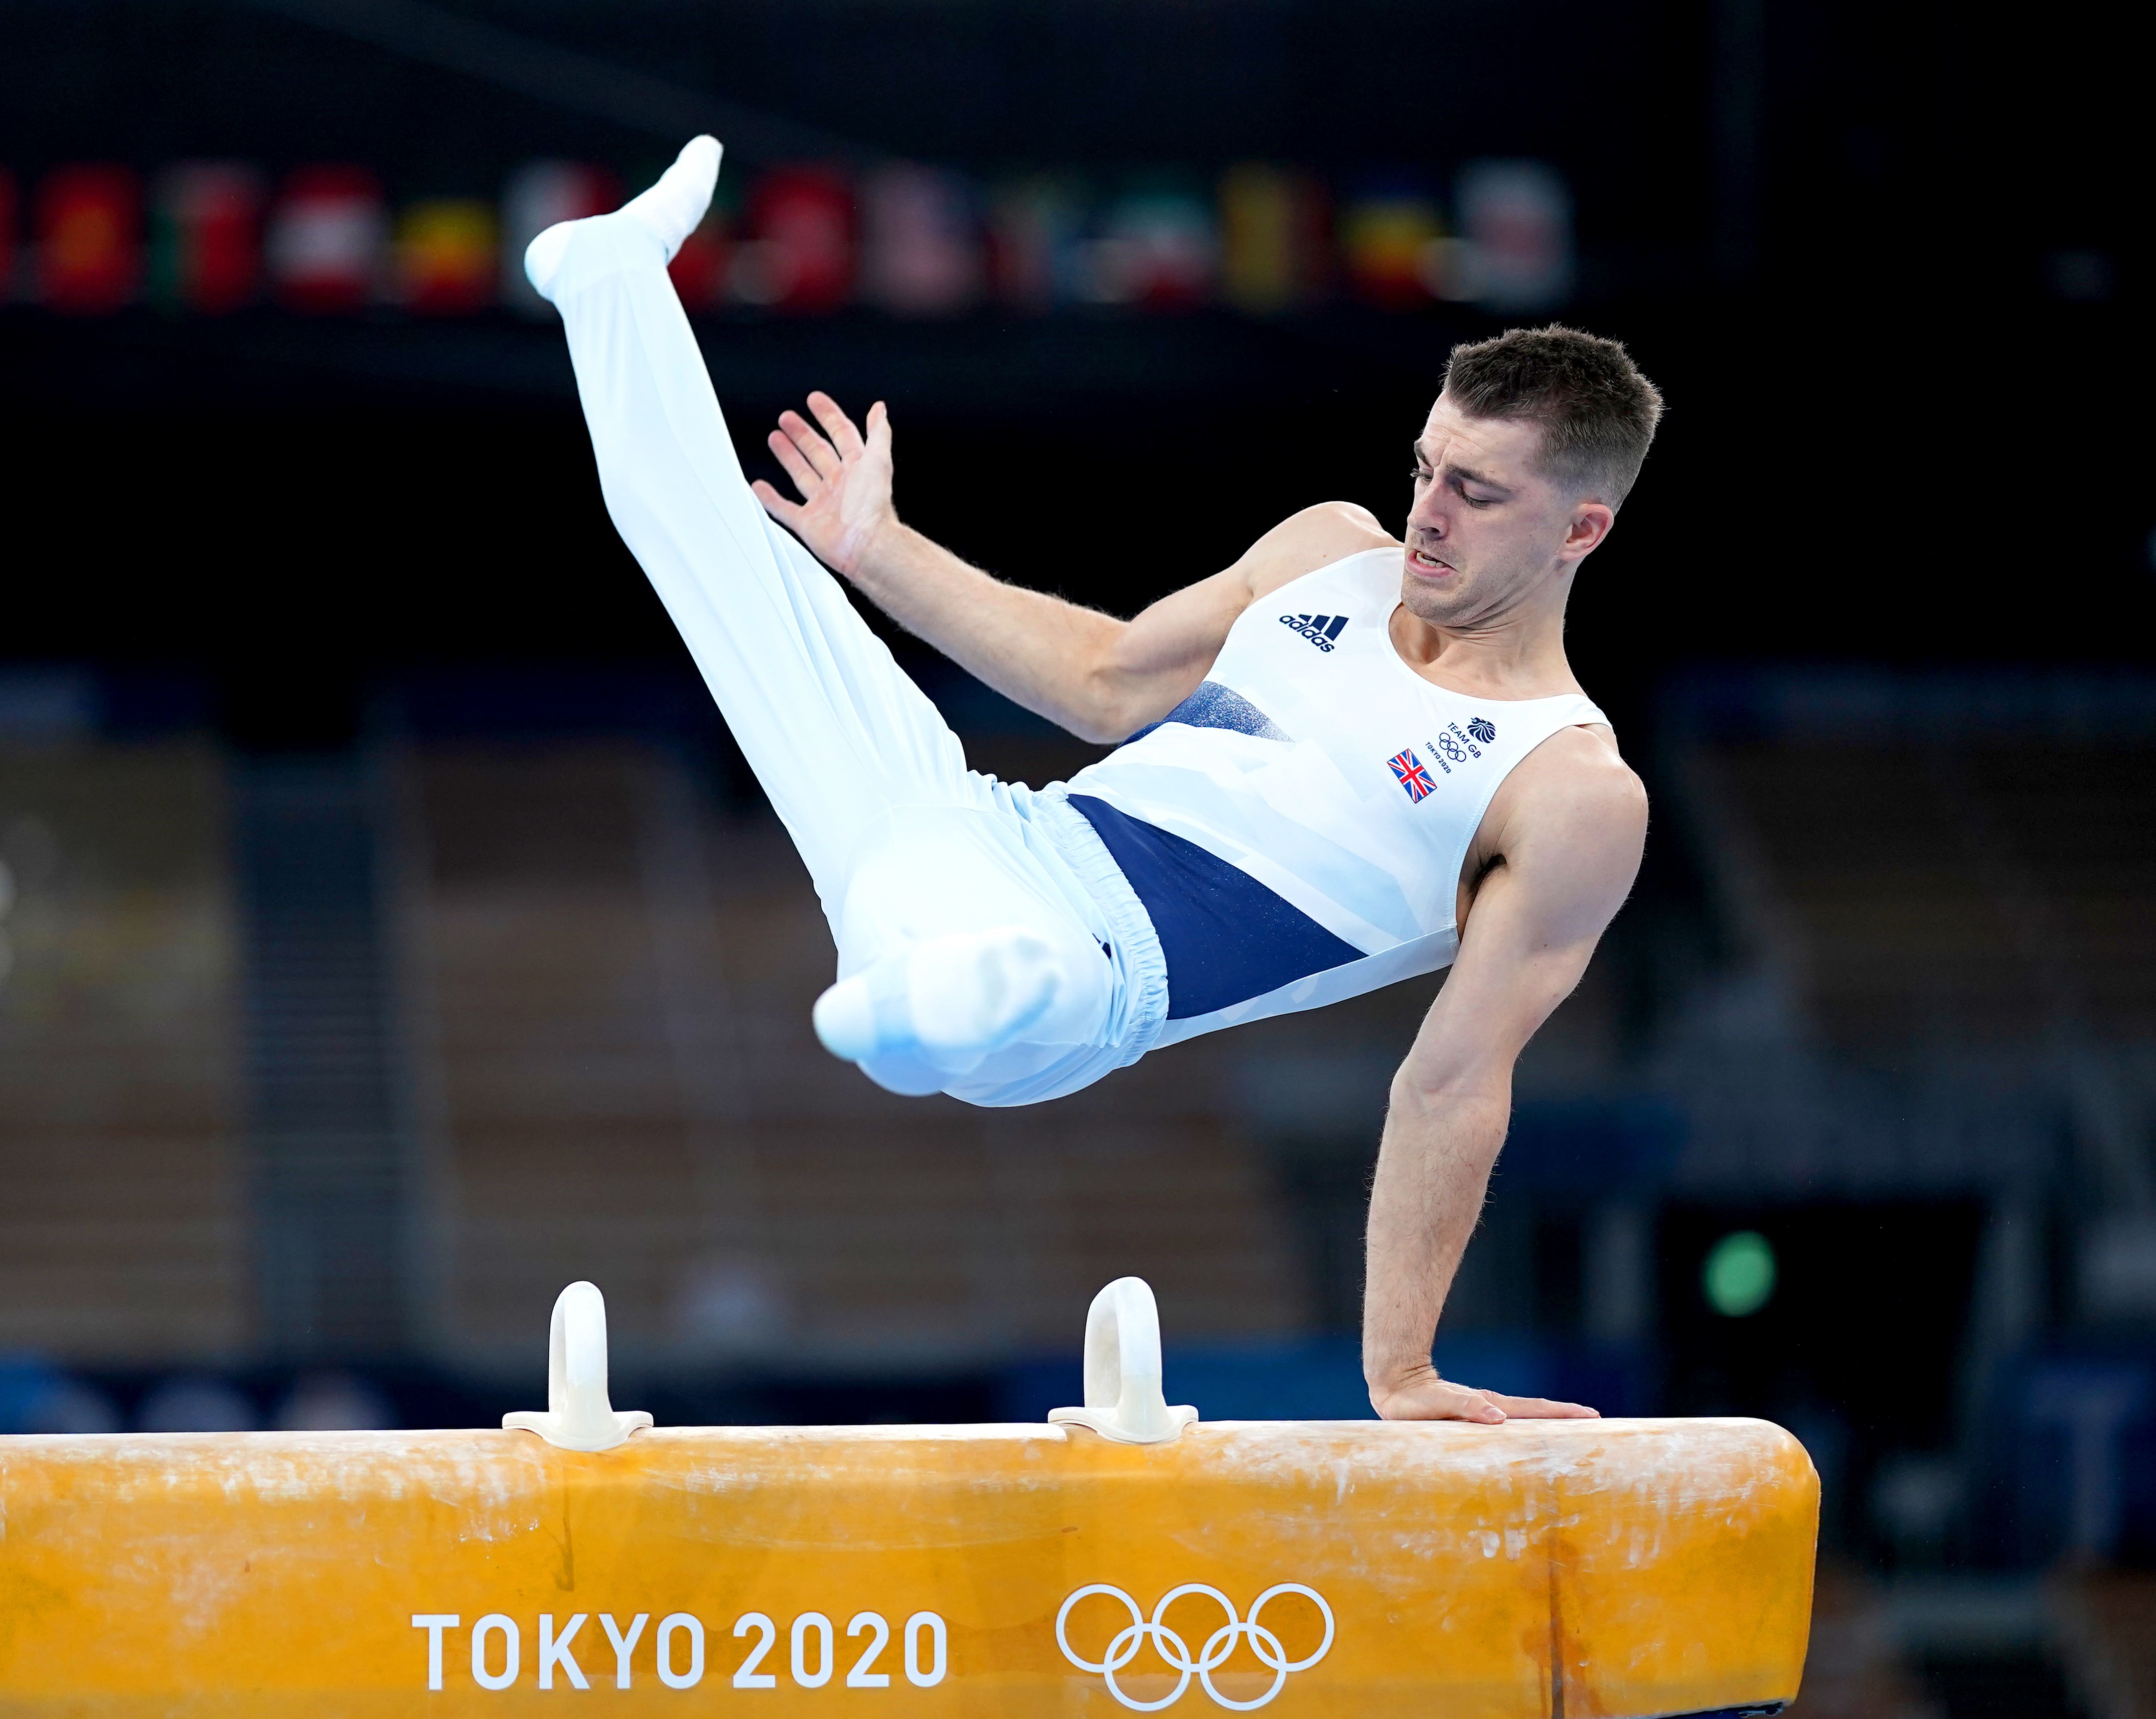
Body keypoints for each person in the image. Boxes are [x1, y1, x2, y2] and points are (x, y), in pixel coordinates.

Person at [525, 137, 1659, 1425]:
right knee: (738, 572)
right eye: (1424, 469)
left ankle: (921, 998)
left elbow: (1450, 1082)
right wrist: (875, 551)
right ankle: (611, 286)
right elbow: (1106, 680)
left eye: (1478, 493)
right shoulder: (1328, 552)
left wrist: (1399, 1371)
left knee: (1001, 982)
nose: (1427, 514)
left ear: (1582, 529)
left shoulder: (1569, 789)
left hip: (1091, 981)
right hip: (979, 830)